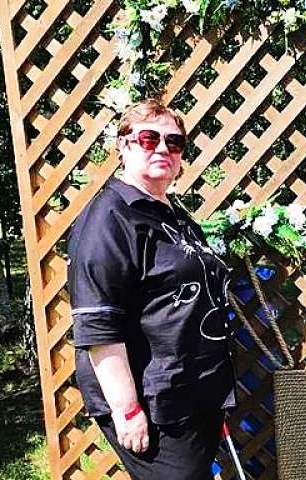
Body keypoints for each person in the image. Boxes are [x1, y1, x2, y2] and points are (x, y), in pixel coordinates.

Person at [67, 99, 237, 480]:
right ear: (123, 145)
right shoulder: (109, 220)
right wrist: (127, 410)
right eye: (148, 138)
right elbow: (98, 327)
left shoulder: (171, 215)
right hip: (154, 402)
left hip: (191, 393)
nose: (163, 148)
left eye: (174, 142)